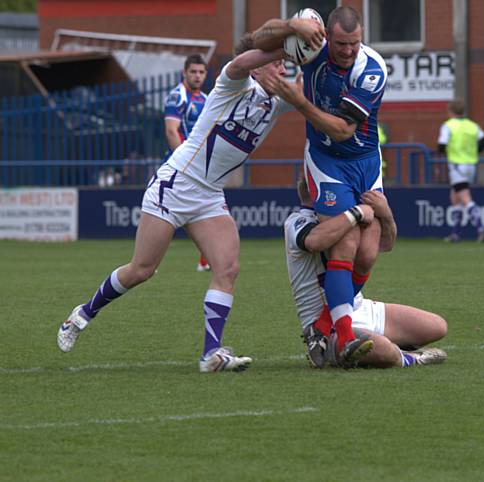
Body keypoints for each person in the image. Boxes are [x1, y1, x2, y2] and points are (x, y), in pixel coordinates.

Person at [56, 17, 326, 373]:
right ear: (257, 67)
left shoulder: (275, 102)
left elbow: (307, 87)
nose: (281, 68)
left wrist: (317, 47)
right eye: (274, 63)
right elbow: (245, 60)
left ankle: (210, 355)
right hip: (176, 184)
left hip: (210, 195)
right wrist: (289, 35)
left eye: (283, 64)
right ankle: (81, 315)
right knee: (142, 269)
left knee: (227, 268)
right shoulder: (231, 85)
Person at [251, 6, 387, 364]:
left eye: (355, 43)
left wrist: (299, 102)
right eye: (341, 44)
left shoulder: (371, 70)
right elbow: (254, 41)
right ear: (328, 36)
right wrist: (290, 25)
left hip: (365, 162)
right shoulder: (311, 45)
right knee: (348, 239)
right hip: (326, 161)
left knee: (369, 250)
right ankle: (342, 339)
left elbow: (344, 129)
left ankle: (324, 324)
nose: (347, 51)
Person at [284, 179, 447, 369]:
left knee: (437, 326)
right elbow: (315, 241)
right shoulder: (297, 220)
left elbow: (386, 245)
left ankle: (381, 346)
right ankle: (409, 357)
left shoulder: (344, 214)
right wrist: (357, 212)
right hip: (327, 327)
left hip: (361, 307)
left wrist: (386, 214)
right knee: (385, 350)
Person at [163, 54, 212, 272]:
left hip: (201, 167)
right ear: (185, 72)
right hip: (180, 167)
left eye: (201, 72)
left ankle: (206, 259)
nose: (197, 76)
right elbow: (171, 130)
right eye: (193, 71)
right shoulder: (177, 96)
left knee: (205, 212)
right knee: (165, 217)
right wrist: (185, 161)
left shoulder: (206, 98)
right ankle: (144, 262)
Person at [437, 99, 484, 243]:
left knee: (465, 198)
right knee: (455, 198)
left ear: (450, 112)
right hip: (470, 165)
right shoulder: (472, 125)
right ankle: (455, 233)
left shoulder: (449, 125)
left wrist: (445, 153)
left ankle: (481, 226)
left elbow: (442, 145)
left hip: (456, 165)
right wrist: (475, 151)